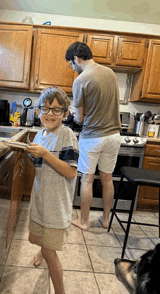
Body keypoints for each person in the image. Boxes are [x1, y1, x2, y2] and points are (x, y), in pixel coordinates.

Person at [26, 87, 79, 294]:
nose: (50, 114)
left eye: (57, 110)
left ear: (65, 114)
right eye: (46, 109)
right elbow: (39, 167)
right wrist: (27, 155)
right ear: (38, 111)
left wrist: (46, 154)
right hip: (40, 201)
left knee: (50, 253)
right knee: (32, 237)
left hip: (56, 206)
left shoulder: (67, 135)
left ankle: (60, 292)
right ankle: (43, 249)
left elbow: (70, 172)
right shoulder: (39, 135)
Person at [65, 41, 121, 231]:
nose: (73, 69)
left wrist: (73, 113)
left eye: (71, 65)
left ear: (76, 58)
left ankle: (84, 222)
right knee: (107, 179)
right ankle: (106, 219)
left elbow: (80, 119)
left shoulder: (81, 80)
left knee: (87, 180)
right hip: (114, 135)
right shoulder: (110, 73)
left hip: (93, 137)